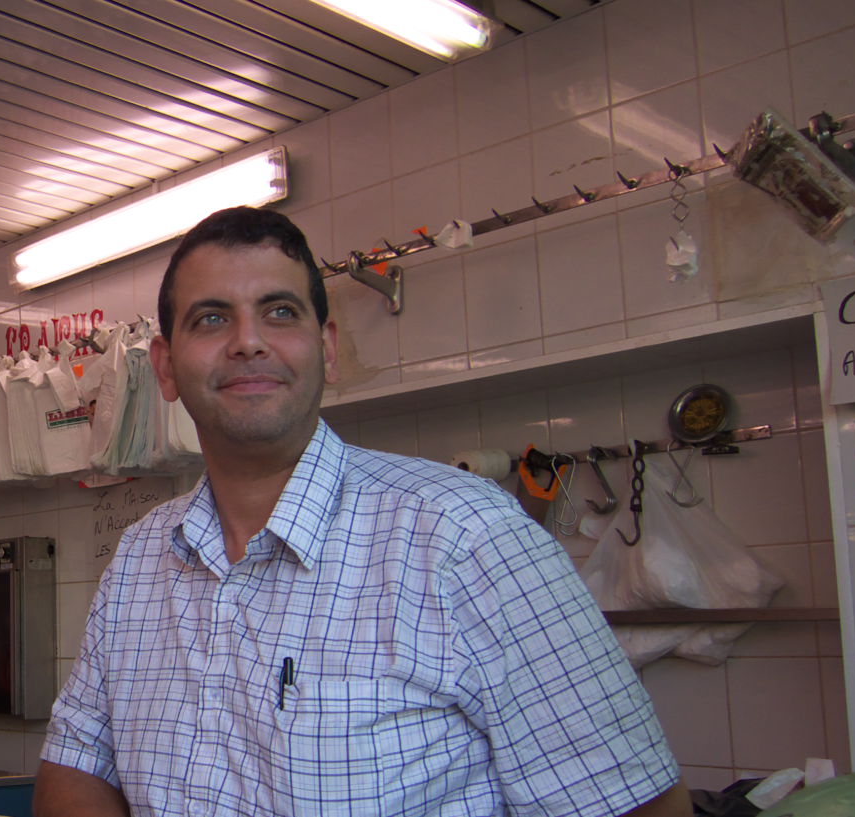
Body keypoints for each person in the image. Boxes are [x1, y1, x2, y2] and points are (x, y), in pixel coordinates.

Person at [37, 207, 688, 816]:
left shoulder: (465, 537)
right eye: (210, 319)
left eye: (280, 312)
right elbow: (77, 763)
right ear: (166, 367)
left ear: (326, 348)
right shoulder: (141, 556)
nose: (247, 341)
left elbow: (633, 801)